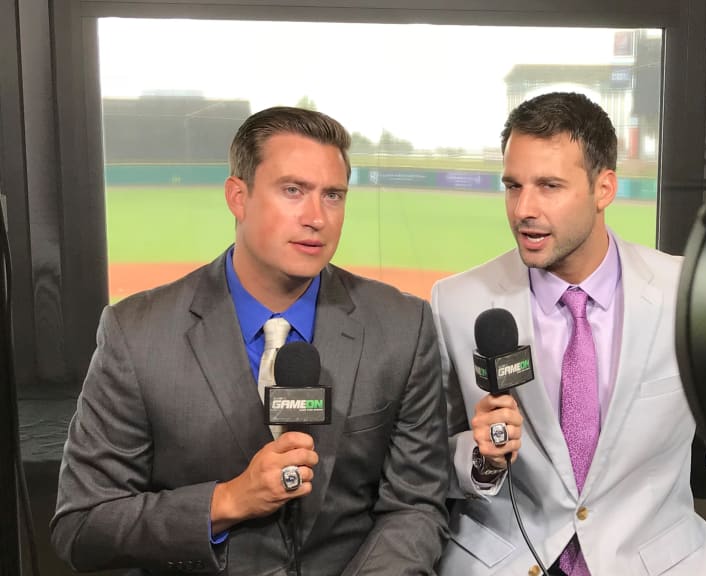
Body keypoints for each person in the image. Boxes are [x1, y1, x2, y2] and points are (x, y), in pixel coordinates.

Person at [51, 106, 449, 575]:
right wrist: (226, 501)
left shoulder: (403, 324)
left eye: (333, 195)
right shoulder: (136, 333)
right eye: (293, 190)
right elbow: (82, 525)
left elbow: (415, 507)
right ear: (238, 197)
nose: (317, 217)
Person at [431, 92, 706, 576]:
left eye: (550, 186)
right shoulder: (456, 302)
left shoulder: (690, 295)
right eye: (513, 186)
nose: (523, 209)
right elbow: (425, 459)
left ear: (604, 188)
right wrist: (481, 460)